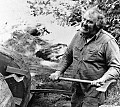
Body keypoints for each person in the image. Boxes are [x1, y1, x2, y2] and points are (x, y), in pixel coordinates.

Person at [49, 6, 120, 107]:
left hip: (95, 91)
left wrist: (103, 79)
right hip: (77, 88)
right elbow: (68, 55)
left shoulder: (108, 41)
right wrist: (58, 71)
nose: (84, 23)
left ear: (97, 25)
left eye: (89, 22)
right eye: (84, 19)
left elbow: (116, 67)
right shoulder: (78, 35)